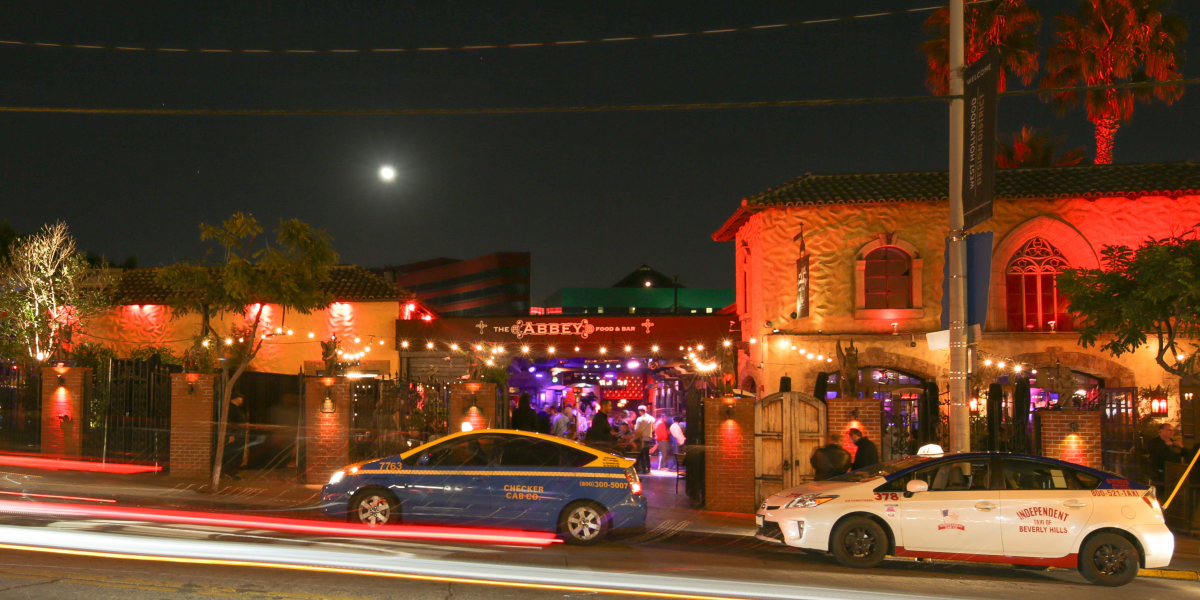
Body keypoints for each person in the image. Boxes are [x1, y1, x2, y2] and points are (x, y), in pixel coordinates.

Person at [222, 395, 248, 480]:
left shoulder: (236, 409)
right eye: (241, 398)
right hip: (235, 435)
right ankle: (229, 472)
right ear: (235, 398)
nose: (242, 400)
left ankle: (233, 472)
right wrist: (231, 434)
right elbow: (230, 422)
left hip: (239, 434)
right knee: (233, 453)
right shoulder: (231, 409)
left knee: (237, 454)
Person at [633, 406, 655, 474]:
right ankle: (648, 468)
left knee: (642, 454)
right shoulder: (652, 418)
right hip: (648, 438)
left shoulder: (639, 419)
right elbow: (653, 429)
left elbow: (637, 429)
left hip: (641, 438)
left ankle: (643, 468)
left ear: (640, 411)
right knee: (647, 453)